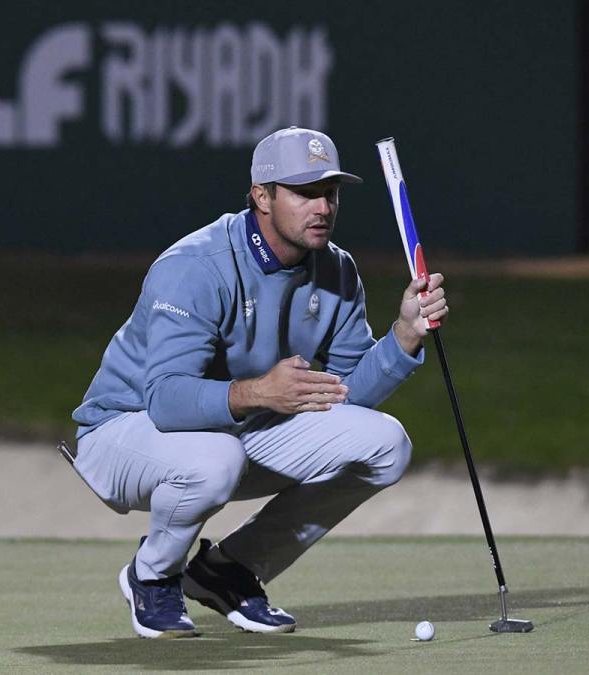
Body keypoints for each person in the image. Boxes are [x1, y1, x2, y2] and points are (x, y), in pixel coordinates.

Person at [69, 126, 449, 639]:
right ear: (261, 196)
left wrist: (403, 336)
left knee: (385, 444)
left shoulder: (336, 271)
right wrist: (257, 392)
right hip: (123, 431)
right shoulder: (196, 267)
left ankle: (228, 570)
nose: (322, 208)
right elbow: (163, 399)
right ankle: (153, 575)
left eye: (329, 193)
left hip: (232, 430)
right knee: (215, 460)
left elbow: (345, 399)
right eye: (304, 193)